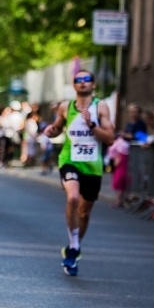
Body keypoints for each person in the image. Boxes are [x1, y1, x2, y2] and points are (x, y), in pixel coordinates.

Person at [43, 70, 115, 276]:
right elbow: (58, 128)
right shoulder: (66, 107)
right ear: (74, 85)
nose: (83, 83)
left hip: (92, 165)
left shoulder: (100, 106)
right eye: (78, 80)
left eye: (86, 80)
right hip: (70, 160)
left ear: (93, 84)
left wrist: (91, 124)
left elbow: (109, 138)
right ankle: (74, 246)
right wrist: (51, 131)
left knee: (84, 213)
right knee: (73, 197)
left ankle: (73, 248)